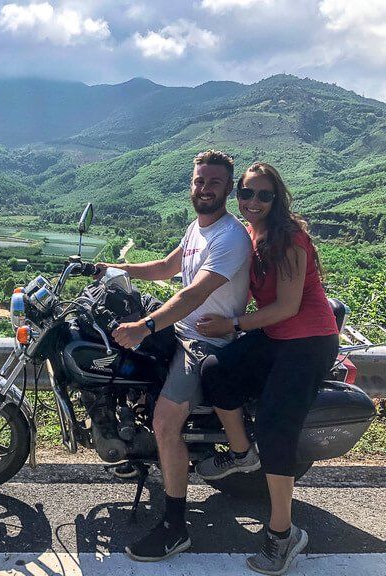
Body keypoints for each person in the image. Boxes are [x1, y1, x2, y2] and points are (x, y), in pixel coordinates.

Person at [95, 149, 252, 561]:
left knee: (166, 423)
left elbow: (192, 294)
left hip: (203, 342)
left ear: (228, 189)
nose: (204, 188)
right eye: (199, 181)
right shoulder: (197, 228)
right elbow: (168, 267)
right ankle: (134, 449)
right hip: (184, 330)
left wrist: (145, 326)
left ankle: (174, 527)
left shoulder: (230, 237)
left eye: (214, 183)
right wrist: (115, 270)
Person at [194, 162, 339, 575]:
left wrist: (232, 325)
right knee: (214, 371)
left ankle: (283, 534)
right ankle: (242, 454)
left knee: (276, 426)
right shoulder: (248, 233)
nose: (253, 202)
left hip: (308, 341)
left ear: (278, 199)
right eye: (246, 193)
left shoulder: (290, 237)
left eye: (263, 195)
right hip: (275, 336)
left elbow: (288, 307)